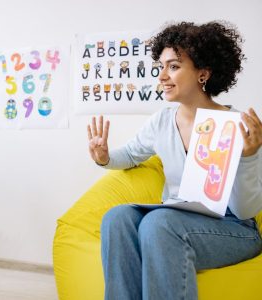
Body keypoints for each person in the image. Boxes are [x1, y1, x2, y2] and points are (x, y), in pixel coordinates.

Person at [87, 21, 262, 300]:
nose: (162, 77)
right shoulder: (162, 121)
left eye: (174, 66)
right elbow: (132, 154)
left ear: (203, 74)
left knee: (159, 224)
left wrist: (249, 157)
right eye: (161, 66)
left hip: (233, 229)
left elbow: (244, 210)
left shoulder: (236, 126)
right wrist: (105, 157)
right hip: (177, 217)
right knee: (117, 218)